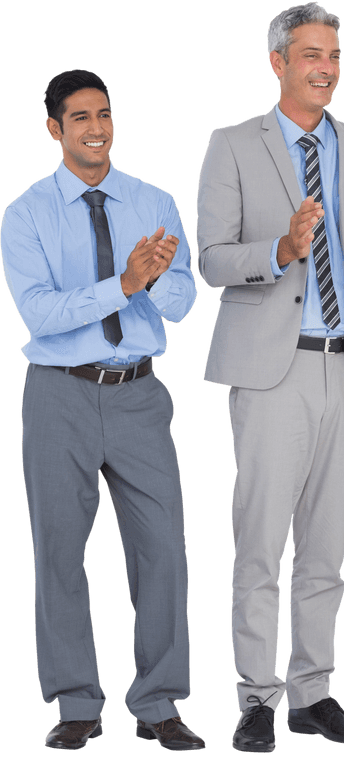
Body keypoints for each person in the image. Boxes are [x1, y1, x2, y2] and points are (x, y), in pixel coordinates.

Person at [195, 2, 344, 754]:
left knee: (326, 543)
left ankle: (312, 691)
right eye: (310, 54)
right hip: (270, 369)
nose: (325, 66)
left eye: (334, 54)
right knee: (261, 537)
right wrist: (283, 247)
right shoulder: (232, 143)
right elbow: (211, 259)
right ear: (278, 62)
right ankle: (255, 695)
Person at [1, 69, 204, 752]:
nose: (97, 128)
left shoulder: (153, 201)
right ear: (55, 129)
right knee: (58, 548)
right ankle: (77, 701)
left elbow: (182, 301)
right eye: (81, 117)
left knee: (164, 549)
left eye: (106, 114)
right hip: (59, 392)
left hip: (140, 392)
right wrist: (124, 281)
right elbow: (40, 313)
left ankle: (160, 702)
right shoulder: (26, 213)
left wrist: (154, 282)